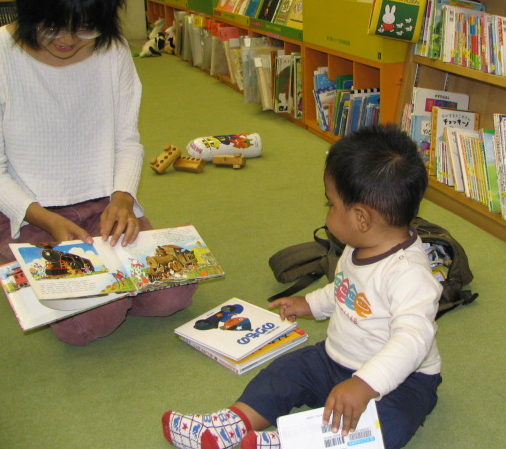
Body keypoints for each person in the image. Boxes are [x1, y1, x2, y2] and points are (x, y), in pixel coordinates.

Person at [162, 124, 442, 449]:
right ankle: (234, 423)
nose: (327, 213)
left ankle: (295, 442)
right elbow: (346, 290)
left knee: (387, 425)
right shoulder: (359, 244)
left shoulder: (409, 274)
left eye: (330, 204)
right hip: (336, 359)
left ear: (362, 219)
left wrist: (365, 384)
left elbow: (413, 340)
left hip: (402, 380)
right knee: (287, 370)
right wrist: (310, 304)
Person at [0, 0, 196, 346]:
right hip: (31, 215)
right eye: (51, 27)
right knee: (87, 323)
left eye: (84, 29)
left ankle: (100, 287)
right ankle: (74, 285)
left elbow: (126, 142)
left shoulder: (112, 50)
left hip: (103, 205)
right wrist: (46, 220)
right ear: (29, 8)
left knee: (174, 294)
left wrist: (122, 199)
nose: (66, 41)